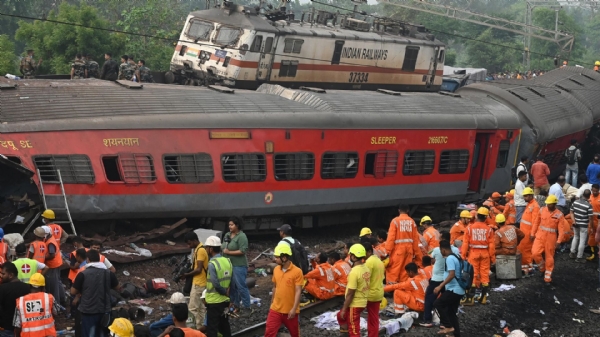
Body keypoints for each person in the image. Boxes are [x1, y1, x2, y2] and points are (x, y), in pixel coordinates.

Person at [71, 249, 119, 337]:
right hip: (104, 309)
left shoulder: (83, 273)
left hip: (88, 310)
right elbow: (117, 287)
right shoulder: (108, 273)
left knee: (90, 333)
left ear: (88, 259)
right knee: (103, 333)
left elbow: (73, 291)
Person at [420, 232, 460, 327]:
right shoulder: (456, 250)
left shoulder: (437, 250)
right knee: (445, 301)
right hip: (448, 280)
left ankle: (428, 320)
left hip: (437, 278)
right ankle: (444, 322)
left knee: (429, 298)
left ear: (442, 239)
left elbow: (431, 260)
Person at [265, 244, 302, 337]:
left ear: (284, 258)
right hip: (275, 310)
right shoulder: (276, 269)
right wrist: (271, 304)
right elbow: (275, 287)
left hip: (290, 311)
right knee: (269, 333)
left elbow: (298, 291)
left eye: (277, 257)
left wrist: (294, 309)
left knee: (295, 334)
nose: (275, 259)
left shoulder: (297, 272)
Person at [460, 207, 495, 305]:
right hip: (485, 254)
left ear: (476, 216)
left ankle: (470, 299)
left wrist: (463, 255)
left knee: (473, 276)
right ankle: (483, 298)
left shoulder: (469, 228)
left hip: (473, 253)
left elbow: (465, 243)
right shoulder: (489, 230)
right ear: (486, 217)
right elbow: (492, 246)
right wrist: (492, 258)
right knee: (484, 276)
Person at [531, 195, 568, 283]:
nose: (548, 205)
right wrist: (532, 233)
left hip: (551, 238)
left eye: (550, 204)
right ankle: (542, 268)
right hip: (540, 235)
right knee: (535, 253)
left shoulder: (559, 215)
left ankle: (547, 277)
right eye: (547, 204)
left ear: (554, 204)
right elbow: (536, 222)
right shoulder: (542, 210)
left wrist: (559, 241)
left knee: (549, 257)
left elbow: (561, 230)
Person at [337, 244, 370, 337]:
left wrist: (344, 309)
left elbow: (350, 294)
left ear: (354, 257)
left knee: (354, 330)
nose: (349, 256)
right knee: (340, 316)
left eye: (350, 255)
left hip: (355, 304)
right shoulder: (365, 268)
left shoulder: (354, 272)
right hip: (362, 301)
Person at [434, 240, 465, 337]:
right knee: (451, 312)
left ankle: (447, 326)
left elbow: (452, 275)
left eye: (440, 250)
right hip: (459, 289)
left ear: (443, 250)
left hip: (454, 290)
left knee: (437, 303)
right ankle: (456, 334)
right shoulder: (456, 256)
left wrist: (440, 286)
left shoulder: (450, 259)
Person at [385, 204, 422, 284]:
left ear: (399, 210)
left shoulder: (395, 221)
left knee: (394, 268)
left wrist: (387, 251)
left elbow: (391, 237)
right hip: (409, 250)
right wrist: (417, 253)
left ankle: (391, 287)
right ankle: (403, 285)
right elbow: (415, 239)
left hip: (398, 250)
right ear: (408, 211)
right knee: (405, 269)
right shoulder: (412, 221)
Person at [204, 236, 232, 337]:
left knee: (212, 328)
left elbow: (215, 283)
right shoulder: (227, 261)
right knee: (224, 325)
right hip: (225, 301)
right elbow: (231, 279)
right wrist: (228, 293)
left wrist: (223, 291)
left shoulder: (212, 264)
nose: (206, 249)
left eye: (207, 247)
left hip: (214, 301)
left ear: (211, 249)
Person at [222, 217, 251, 314]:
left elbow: (243, 251)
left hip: (239, 265)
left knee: (241, 286)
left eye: (232, 225)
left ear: (237, 225)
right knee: (232, 287)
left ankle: (247, 307)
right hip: (228, 265)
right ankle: (236, 306)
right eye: (229, 225)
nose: (229, 226)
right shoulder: (227, 235)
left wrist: (229, 252)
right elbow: (223, 247)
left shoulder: (242, 236)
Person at [181, 232, 208, 327]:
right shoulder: (199, 249)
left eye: (189, 243)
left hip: (198, 283)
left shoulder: (200, 250)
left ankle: (193, 331)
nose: (189, 246)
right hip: (202, 283)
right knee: (201, 308)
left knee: (192, 309)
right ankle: (201, 328)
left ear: (194, 240)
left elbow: (199, 269)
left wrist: (187, 274)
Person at [0, 262, 31, 336]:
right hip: (24, 327)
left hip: (6, 328)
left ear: (11, 275)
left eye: (3, 274)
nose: (1, 276)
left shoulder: (2, 288)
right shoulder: (27, 287)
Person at [518, 187, 540, 275]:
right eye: (524, 196)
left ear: (531, 195)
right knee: (522, 249)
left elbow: (535, 222)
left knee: (527, 250)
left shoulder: (535, 206)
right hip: (524, 232)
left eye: (526, 196)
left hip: (528, 233)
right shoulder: (530, 204)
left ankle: (530, 268)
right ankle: (524, 266)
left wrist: (532, 234)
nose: (524, 198)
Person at [363, 242, 384, 337]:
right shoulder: (379, 261)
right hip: (378, 292)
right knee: (374, 318)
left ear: (369, 252)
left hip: (371, 294)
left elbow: (365, 279)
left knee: (371, 319)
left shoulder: (369, 262)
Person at [38, 226, 63, 306]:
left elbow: (52, 255)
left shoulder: (50, 242)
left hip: (53, 265)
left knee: (53, 285)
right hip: (56, 263)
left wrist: (42, 257)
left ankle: (56, 304)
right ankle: (62, 300)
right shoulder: (50, 238)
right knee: (57, 283)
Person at [570, 189, 593, 263]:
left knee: (576, 237)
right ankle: (579, 257)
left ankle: (572, 253)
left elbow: (571, 212)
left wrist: (574, 221)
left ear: (583, 194)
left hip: (575, 224)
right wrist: (591, 227)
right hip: (583, 225)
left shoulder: (575, 202)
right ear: (589, 196)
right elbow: (590, 218)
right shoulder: (589, 205)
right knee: (582, 241)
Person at [588, 184, 600, 260]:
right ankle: (593, 253)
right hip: (591, 220)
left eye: (596, 191)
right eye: (593, 191)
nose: (594, 192)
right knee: (591, 235)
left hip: (599, 220)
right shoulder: (590, 197)